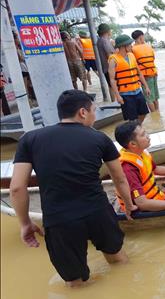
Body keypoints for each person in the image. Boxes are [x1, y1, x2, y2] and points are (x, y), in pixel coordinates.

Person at [10, 90, 137, 287]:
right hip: (98, 211)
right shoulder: (100, 139)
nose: (95, 115)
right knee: (119, 260)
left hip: (60, 220)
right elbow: (119, 179)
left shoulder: (30, 140)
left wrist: (25, 223)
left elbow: (17, 188)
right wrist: (128, 205)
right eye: (94, 110)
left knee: (75, 283)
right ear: (83, 113)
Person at [108, 34, 151, 124]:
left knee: (144, 113)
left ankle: (137, 128)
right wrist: (118, 96)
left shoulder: (131, 55)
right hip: (125, 94)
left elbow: (139, 73)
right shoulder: (113, 60)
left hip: (137, 91)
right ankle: (135, 130)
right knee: (131, 118)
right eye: (129, 44)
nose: (131, 46)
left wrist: (146, 87)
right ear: (123, 46)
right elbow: (112, 80)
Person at [131, 30, 160, 112]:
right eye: (143, 36)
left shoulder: (132, 49)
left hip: (145, 76)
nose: (143, 38)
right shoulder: (148, 46)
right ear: (140, 37)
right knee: (155, 96)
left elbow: (133, 64)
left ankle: (154, 115)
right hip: (154, 73)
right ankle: (157, 113)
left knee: (149, 98)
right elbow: (153, 58)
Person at [97, 23, 116, 101]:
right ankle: (116, 103)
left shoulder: (100, 41)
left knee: (110, 85)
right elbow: (110, 56)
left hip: (105, 67)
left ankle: (114, 103)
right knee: (113, 85)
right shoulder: (105, 41)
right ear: (107, 31)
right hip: (110, 68)